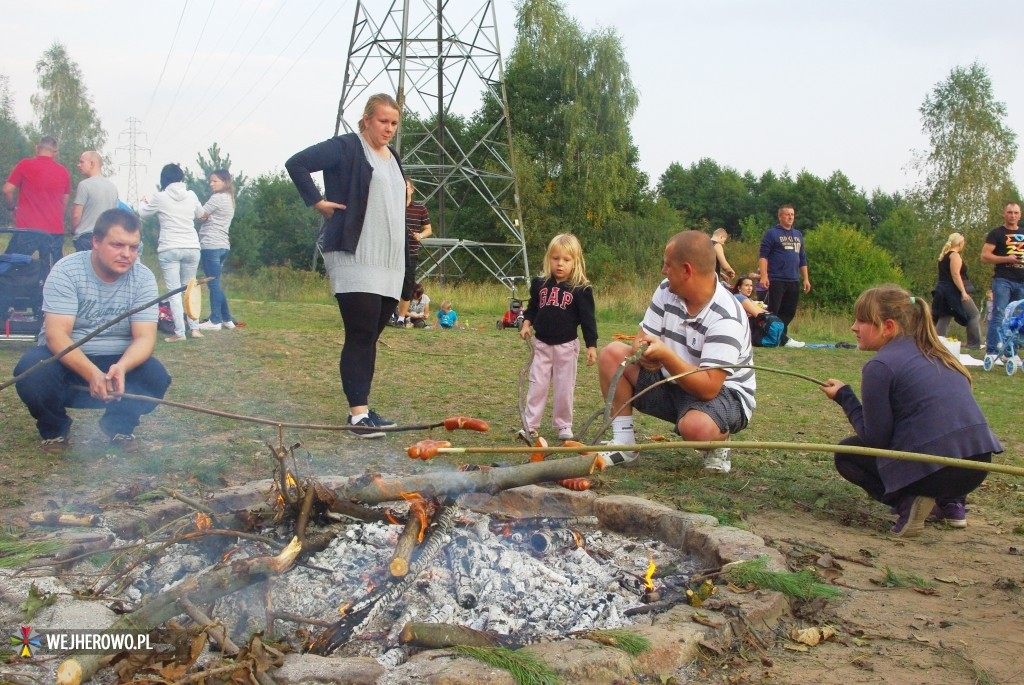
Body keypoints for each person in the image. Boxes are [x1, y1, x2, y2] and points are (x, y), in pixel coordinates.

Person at [819, 285, 1002, 537]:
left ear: (889, 327)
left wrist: (844, 397)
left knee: (847, 455)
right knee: (940, 436)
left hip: (936, 471)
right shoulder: (941, 355)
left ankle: (909, 501)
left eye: (862, 321)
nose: (853, 327)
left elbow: (875, 440)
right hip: (977, 467)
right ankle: (952, 504)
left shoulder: (880, 365)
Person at [286, 93, 406, 439]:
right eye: (383, 121)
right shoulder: (346, 146)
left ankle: (363, 407)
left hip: (389, 260)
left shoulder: (392, 157)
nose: (388, 128)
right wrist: (317, 202)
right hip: (356, 256)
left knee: (371, 336)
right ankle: (357, 417)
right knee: (360, 333)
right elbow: (296, 162)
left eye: (394, 123)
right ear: (367, 119)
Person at [597, 231, 756, 474]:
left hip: (723, 395)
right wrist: (644, 351)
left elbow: (708, 387)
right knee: (612, 354)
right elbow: (640, 338)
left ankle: (718, 438)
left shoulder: (727, 317)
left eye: (667, 265)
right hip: (671, 380)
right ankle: (624, 444)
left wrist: (665, 356)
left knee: (696, 429)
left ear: (687, 270)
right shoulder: (666, 290)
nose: (663, 271)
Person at [12, 208, 172, 450]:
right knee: (31, 370)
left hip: (117, 363)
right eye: (117, 245)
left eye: (133, 247)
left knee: (155, 376)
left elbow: (145, 338)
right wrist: (91, 373)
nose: (127, 254)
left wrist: (121, 368)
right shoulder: (67, 271)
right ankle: (55, 429)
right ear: (96, 241)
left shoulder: (143, 278)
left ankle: (119, 427)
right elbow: (56, 336)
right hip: (66, 361)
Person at [519, 234, 598, 441]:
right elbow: (532, 308)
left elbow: (588, 320)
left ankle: (563, 425)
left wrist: (592, 346)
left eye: (566, 259)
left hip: (567, 346)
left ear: (575, 261)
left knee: (564, 387)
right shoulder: (540, 284)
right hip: (541, 344)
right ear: (548, 259)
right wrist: (526, 323)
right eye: (555, 258)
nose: (560, 264)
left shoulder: (581, 289)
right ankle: (530, 425)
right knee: (537, 384)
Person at [140, 164, 204, 342]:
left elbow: (143, 215)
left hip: (170, 247)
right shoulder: (191, 195)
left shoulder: (160, 197)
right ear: (182, 178)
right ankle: (195, 328)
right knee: (191, 289)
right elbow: (201, 214)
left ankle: (180, 332)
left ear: (164, 180)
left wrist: (142, 203)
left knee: (174, 292)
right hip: (192, 246)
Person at [3, 136, 71, 269]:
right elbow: (65, 200)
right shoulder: (63, 172)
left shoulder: (25, 164)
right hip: (54, 232)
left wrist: (11, 209)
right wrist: (56, 216)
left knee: (9, 267)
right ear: (55, 152)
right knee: (53, 273)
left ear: (37, 148)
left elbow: (7, 190)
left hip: (28, 230)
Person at [758, 205, 809, 347]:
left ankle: (781, 337)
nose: (790, 217)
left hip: (793, 278)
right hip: (776, 278)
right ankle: (776, 337)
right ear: (780, 216)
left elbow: (802, 258)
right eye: (787, 214)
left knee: (790, 311)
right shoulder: (772, 233)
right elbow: (763, 256)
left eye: (792, 214)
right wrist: (764, 276)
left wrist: (806, 278)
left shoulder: (798, 235)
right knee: (774, 310)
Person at [981, 201, 1024, 365]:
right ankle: (992, 351)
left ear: (1020, 215)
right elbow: (985, 256)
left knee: (1017, 319)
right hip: (1003, 279)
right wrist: (1007, 258)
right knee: (999, 314)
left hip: (1021, 281)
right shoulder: (996, 233)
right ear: (1004, 214)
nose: (1013, 215)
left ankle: (1010, 352)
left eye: (1016, 213)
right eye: (1010, 212)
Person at [195, 169, 238, 331]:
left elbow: (200, 215)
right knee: (217, 283)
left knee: (213, 284)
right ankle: (227, 319)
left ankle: (215, 321)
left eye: (215, 181)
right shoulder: (229, 199)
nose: (211, 184)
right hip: (223, 245)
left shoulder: (217, 198)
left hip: (210, 245)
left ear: (225, 182)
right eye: (210, 181)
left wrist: (203, 216)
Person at [930, 232, 981, 349]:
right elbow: (955, 274)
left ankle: (936, 343)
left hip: (942, 289)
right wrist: (963, 292)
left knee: (944, 315)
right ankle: (973, 343)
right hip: (953, 291)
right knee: (974, 314)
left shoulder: (944, 256)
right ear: (960, 243)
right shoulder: (954, 255)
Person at [394, 179, 433, 327]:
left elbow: (429, 229)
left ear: (412, 190)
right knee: (390, 284)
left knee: (407, 286)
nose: (403, 190)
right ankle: (389, 314)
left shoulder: (420, 208)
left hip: (410, 253)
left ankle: (401, 318)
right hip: (392, 252)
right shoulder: (392, 206)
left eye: (405, 187)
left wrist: (420, 235)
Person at [732, 275, 800, 347]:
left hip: (744, 327)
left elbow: (761, 311)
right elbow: (758, 314)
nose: (749, 288)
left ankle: (783, 340)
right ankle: (785, 341)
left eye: (751, 286)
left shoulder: (744, 298)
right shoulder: (739, 297)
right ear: (739, 288)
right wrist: (763, 313)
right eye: (746, 285)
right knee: (766, 320)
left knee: (766, 318)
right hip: (742, 328)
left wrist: (763, 312)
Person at [71, 151, 119, 252]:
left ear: (92, 164)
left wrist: (74, 230)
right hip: (105, 237)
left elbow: (76, 215)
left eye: (82, 162)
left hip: (86, 237)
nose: (78, 165)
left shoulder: (84, 185)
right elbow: (115, 217)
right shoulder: (113, 187)